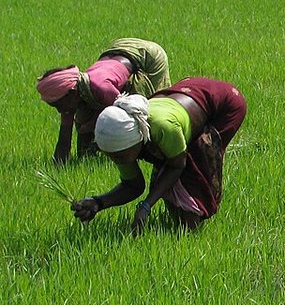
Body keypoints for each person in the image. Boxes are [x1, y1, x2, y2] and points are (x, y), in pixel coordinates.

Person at [70, 78, 247, 234]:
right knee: (165, 170)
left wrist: (146, 206)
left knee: (196, 167)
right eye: (112, 156)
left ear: (138, 141)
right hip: (183, 97)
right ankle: (180, 224)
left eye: (120, 156)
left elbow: (177, 165)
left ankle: (192, 230)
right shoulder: (121, 142)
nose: (118, 161)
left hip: (224, 104)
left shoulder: (161, 128)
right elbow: (133, 186)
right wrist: (98, 203)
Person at [36, 38, 172, 164]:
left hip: (148, 55)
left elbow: (130, 117)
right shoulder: (73, 94)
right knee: (84, 117)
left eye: (58, 105)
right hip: (118, 49)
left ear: (71, 93)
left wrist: (100, 143)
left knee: (143, 106)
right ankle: (86, 158)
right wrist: (61, 165)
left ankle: (157, 153)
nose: (60, 110)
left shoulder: (101, 88)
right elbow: (64, 139)